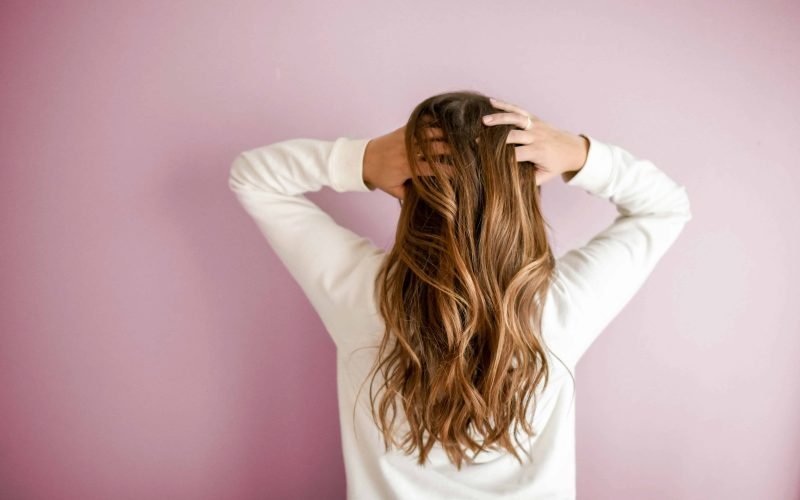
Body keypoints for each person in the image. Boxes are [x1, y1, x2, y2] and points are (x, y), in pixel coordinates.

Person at [228, 91, 692, 499]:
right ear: (522, 195)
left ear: (409, 190)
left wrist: (363, 159)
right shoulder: (557, 309)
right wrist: (578, 154)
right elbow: (666, 208)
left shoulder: (365, 296)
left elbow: (252, 177)